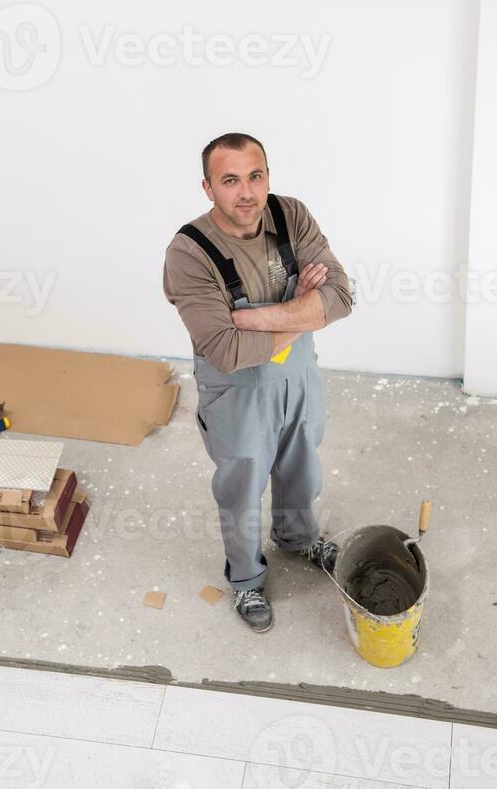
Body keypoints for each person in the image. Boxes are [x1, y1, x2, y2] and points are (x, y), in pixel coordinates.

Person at [162, 133, 354, 632]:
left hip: (300, 380)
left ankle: (297, 537)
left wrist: (250, 319)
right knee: (242, 489)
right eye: (230, 181)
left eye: (255, 176)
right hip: (238, 394)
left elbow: (341, 296)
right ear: (208, 188)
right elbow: (225, 350)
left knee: (302, 468)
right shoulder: (189, 252)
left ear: (267, 175)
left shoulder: (291, 215)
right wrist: (304, 314)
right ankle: (246, 580)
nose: (246, 193)